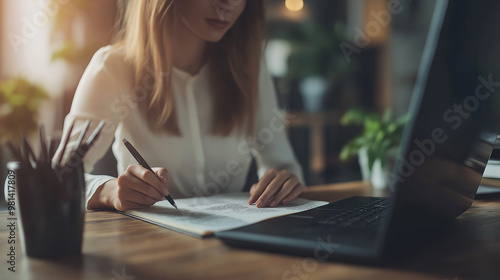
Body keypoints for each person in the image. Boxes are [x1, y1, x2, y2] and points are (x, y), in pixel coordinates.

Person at [56, 0, 305, 211]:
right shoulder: (113, 67)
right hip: (150, 247)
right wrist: (109, 191)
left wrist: (284, 182)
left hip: (233, 247)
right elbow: (60, 177)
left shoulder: (250, 67)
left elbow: (282, 165)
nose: (227, 4)